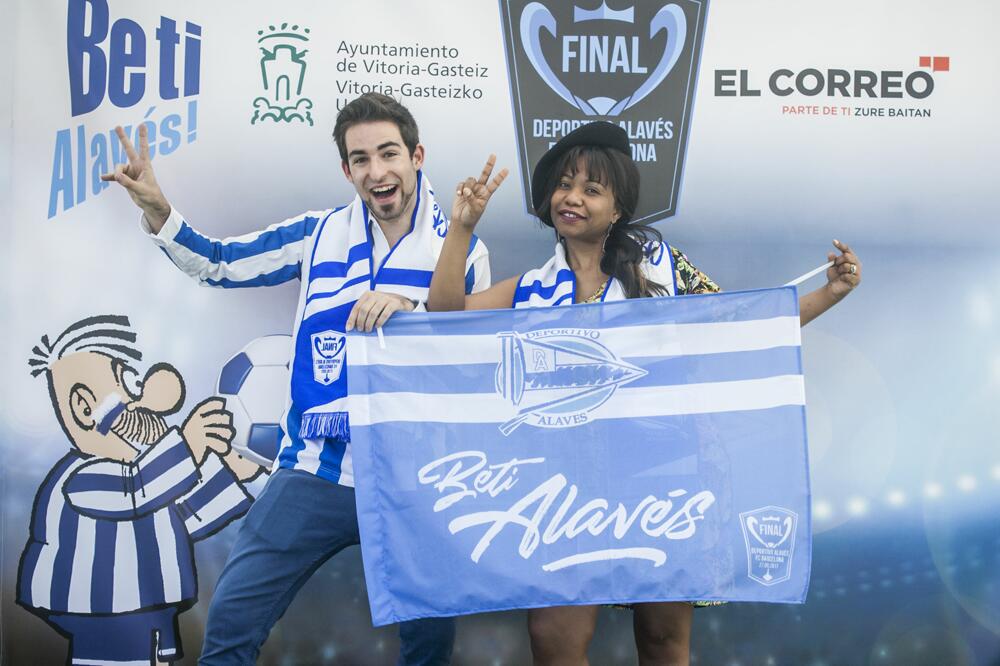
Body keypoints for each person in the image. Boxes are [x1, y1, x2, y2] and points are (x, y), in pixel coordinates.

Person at [427, 121, 862, 665]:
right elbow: (443, 317)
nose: (572, 198)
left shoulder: (663, 270)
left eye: (592, 189)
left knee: (661, 643)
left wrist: (830, 292)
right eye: (565, 185)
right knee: (553, 640)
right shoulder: (530, 288)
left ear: (617, 207)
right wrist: (463, 227)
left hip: (665, 475)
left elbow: (740, 329)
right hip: (566, 487)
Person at [103, 93, 492, 665]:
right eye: (361, 159)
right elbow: (218, 260)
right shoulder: (319, 233)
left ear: (416, 156)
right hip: (316, 467)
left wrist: (409, 308)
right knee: (231, 623)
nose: (377, 171)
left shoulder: (462, 247)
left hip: (417, 476)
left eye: (389, 154)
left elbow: (470, 356)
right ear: (347, 170)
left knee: (428, 648)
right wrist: (161, 212)